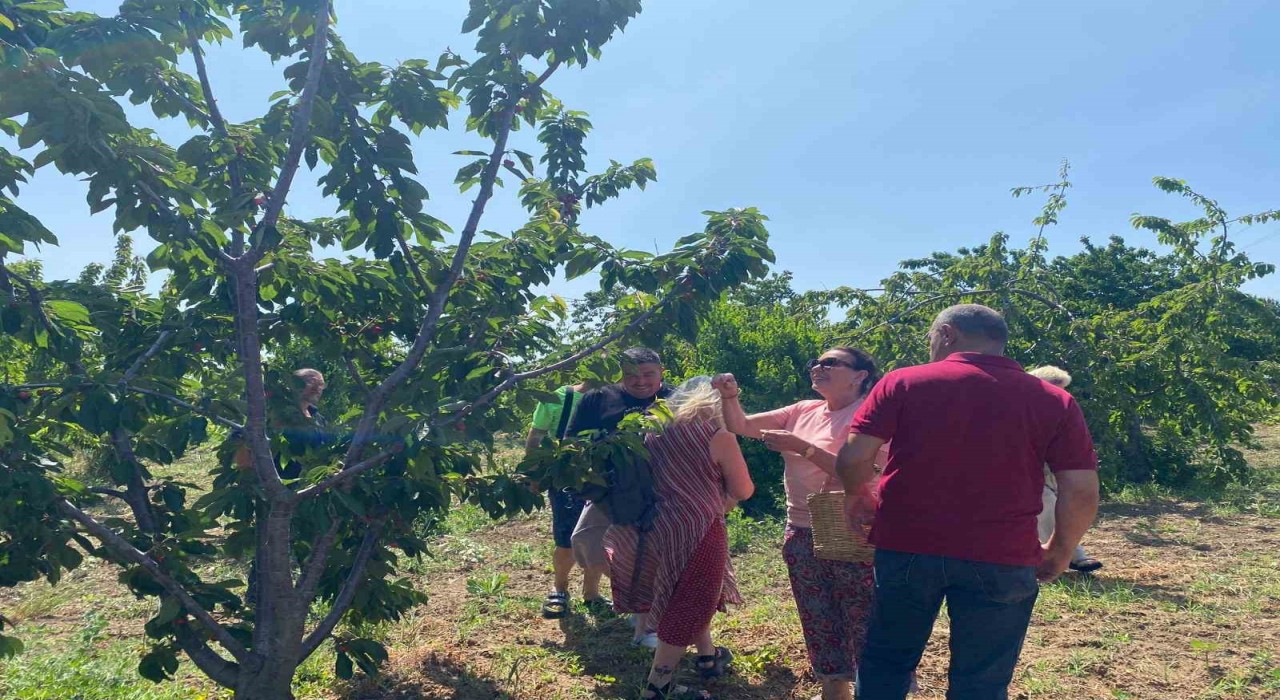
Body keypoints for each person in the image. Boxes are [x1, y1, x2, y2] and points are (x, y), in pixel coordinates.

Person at [837, 304, 1100, 700]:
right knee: (982, 679)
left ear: (946, 334)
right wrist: (1062, 549)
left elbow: (855, 457)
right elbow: (1080, 489)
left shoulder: (903, 382)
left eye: (931, 338)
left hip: (908, 547)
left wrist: (856, 496)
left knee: (887, 661)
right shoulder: (1052, 399)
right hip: (1003, 554)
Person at [713, 347, 887, 700]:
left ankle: (879, 687)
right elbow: (740, 425)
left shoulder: (871, 414)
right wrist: (729, 396)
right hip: (802, 527)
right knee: (818, 613)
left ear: (860, 375)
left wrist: (803, 448)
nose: (819, 368)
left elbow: (867, 473)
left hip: (855, 529)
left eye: (831, 363)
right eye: (817, 363)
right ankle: (834, 689)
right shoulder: (802, 410)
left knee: (865, 615)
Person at [605, 377, 753, 700]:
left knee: (686, 591)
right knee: (689, 602)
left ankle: (707, 657)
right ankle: (658, 686)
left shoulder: (653, 432)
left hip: (660, 524)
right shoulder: (718, 435)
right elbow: (743, 490)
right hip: (701, 526)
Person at [566, 347, 674, 621]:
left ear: (661, 371)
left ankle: (650, 609)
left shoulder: (676, 398)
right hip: (610, 489)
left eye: (648, 374)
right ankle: (642, 594)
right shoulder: (598, 398)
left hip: (664, 488)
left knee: (655, 550)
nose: (640, 381)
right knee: (586, 541)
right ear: (621, 374)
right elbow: (572, 441)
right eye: (631, 375)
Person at [523, 381, 607, 619]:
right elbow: (536, 434)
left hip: (602, 478)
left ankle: (591, 593)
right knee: (566, 538)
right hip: (565, 478)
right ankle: (559, 589)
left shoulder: (616, 395)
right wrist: (535, 472)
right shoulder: (558, 396)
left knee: (597, 535)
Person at [1028, 366, 1103, 574]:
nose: (1063, 393)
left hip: (1052, 468)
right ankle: (1073, 556)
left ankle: (1069, 554)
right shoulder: (1027, 407)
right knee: (1046, 504)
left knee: (1058, 504)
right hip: (1029, 470)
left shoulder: (1062, 406)